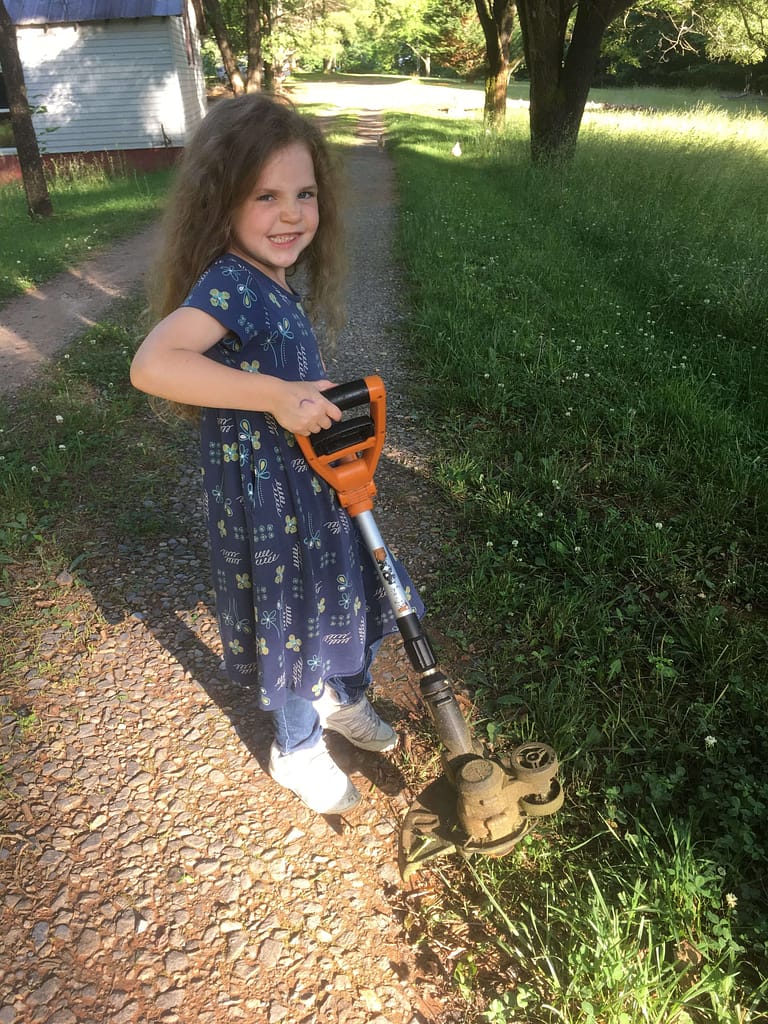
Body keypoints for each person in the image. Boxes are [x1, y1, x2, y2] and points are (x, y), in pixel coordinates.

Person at [130, 93, 422, 816]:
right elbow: (153, 363)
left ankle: (343, 698)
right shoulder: (229, 281)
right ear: (220, 203)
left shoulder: (271, 278)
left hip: (312, 481)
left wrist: (300, 400)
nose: (290, 214)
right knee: (289, 619)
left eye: (304, 194)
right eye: (265, 196)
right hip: (267, 501)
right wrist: (272, 395)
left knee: (346, 590)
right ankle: (296, 747)